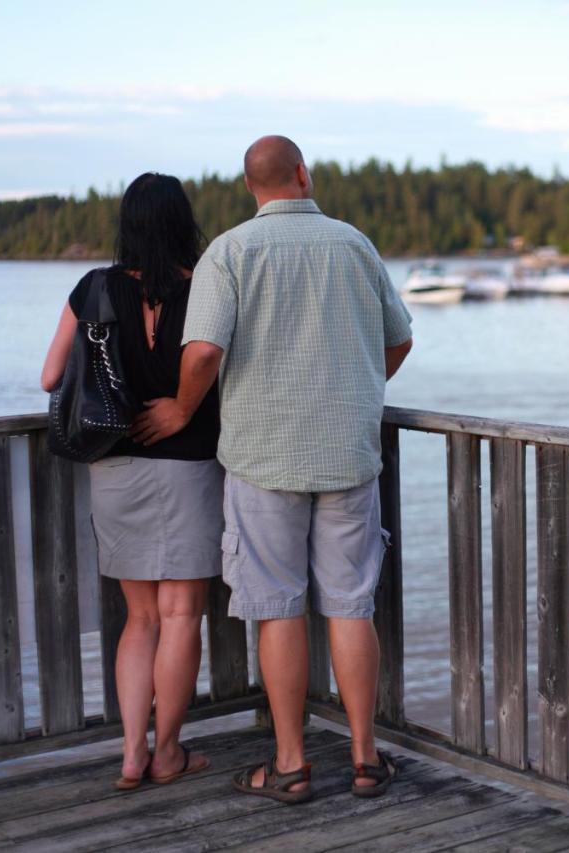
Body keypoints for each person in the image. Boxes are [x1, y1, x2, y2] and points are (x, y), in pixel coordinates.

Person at [131, 135, 414, 804]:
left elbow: (201, 353)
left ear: (250, 188)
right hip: (347, 454)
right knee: (350, 605)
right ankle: (366, 757)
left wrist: (179, 408)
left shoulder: (228, 252)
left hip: (263, 458)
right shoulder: (354, 244)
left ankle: (290, 763)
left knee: (279, 609)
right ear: (303, 176)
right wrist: (357, 392)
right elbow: (398, 339)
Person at [41, 172, 221, 790]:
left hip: (114, 468)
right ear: (182, 221)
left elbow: (48, 379)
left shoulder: (93, 288)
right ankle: (167, 753)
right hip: (190, 466)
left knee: (139, 619)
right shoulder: (208, 289)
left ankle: (128, 753)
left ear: (127, 223)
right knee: (181, 615)